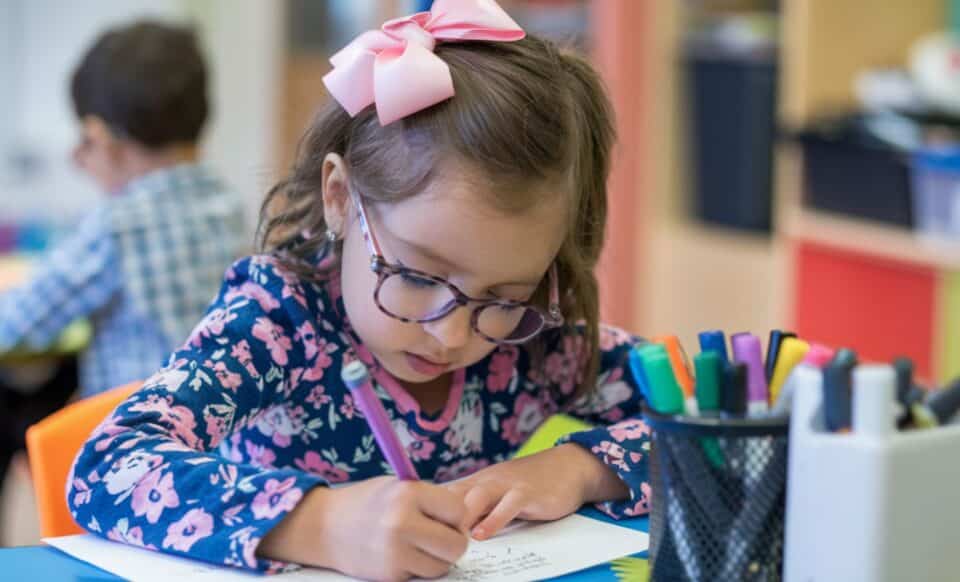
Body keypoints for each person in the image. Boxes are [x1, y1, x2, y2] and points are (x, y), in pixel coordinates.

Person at [67, 3, 650, 580]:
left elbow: (716, 418)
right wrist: (321, 524)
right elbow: (107, 467)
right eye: (419, 278)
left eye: (502, 296)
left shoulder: (531, 340)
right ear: (340, 198)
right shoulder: (275, 322)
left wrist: (577, 468)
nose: (449, 334)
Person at [0, 20, 245, 397]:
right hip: (216, 428)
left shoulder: (119, 225)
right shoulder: (227, 205)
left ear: (100, 137)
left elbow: (16, 325)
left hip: (135, 440)